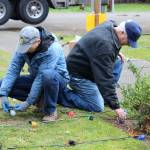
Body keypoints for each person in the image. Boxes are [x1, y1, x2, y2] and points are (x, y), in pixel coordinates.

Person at [59, 20, 142, 119]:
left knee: (118, 61)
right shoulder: (105, 45)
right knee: (97, 106)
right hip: (76, 75)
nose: (128, 44)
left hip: (89, 66)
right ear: (122, 32)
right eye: (128, 41)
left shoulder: (110, 26)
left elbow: (112, 23)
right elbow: (105, 77)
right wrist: (116, 106)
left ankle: (106, 97)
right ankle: (59, 95)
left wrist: (116, 52)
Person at [0, 26, 69, 122]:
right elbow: (13, 70)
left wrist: (28, 102)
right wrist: (3, 94)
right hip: (37, 77)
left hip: (56, 79)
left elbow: (41, 78)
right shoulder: (23, 45)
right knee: (2, 83)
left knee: (47, 75)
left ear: (38, 41)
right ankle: (41, 101)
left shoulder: (52, 48)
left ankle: (50, 111)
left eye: (28, 46)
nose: (25, 49)